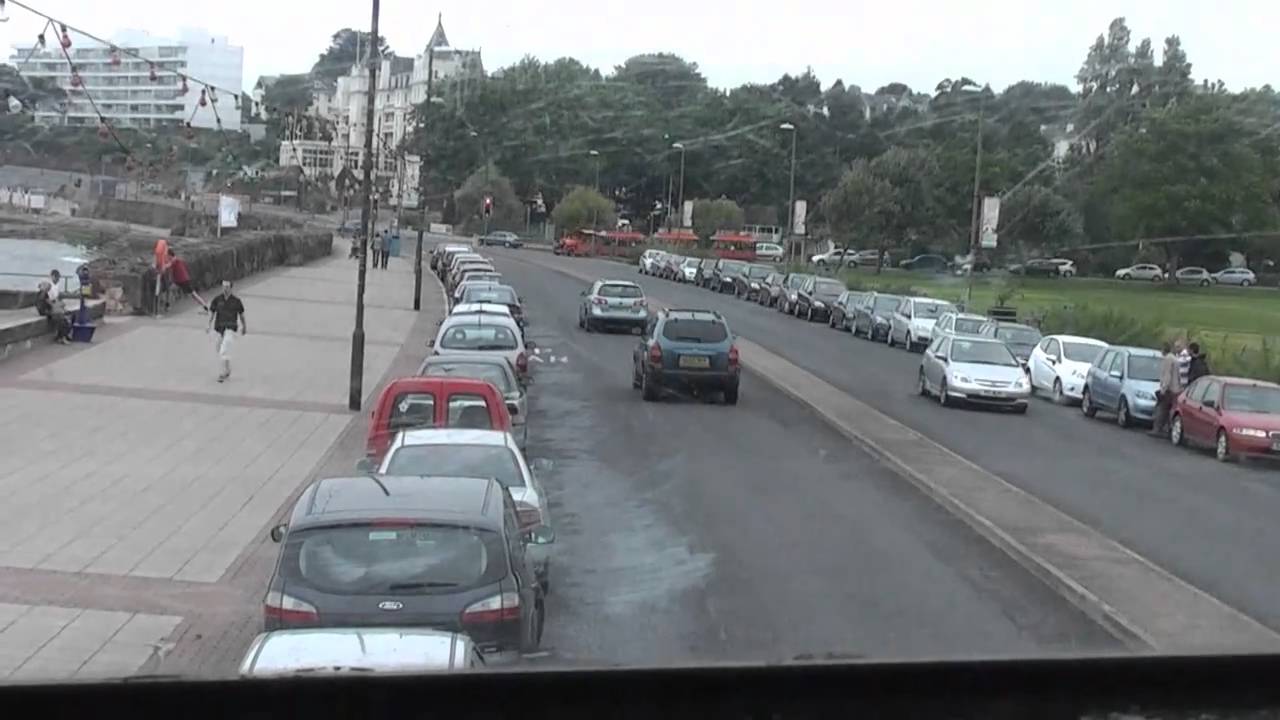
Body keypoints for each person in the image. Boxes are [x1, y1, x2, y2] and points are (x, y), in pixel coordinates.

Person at [207, 280, 246, 383]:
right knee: (219, 348)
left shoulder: (236, 301)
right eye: (223, 286)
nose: (225, 288)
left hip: (230, 328)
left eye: (227, 286)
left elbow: (241, 315)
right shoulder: (217, 299)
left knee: (224, 349)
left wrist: (244, 326)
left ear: (231, 288)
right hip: (220, 328)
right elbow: (212, 312)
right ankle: (228, 369)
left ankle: (223, 372)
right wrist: (208, 324)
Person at [1150, 340, 1183, 437]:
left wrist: (1163, 389)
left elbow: (1167, 375)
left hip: (1169, 389)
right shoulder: (1174, 358)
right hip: (1176, 389)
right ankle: (1168, 430)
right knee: (1170, 410)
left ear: (1164, 350)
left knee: (1161, 409)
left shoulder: (1168, 359)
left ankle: (1157, 429)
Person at [35, 278, 72, 344]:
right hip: (45, 311)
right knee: (61, 318)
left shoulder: (41, 294)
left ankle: (62, 336)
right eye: (48, 288)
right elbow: (49, 304)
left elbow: (49, 302)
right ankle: (62, 337)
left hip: (45, 310)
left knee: (63, 317)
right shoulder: (43, 294)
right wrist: (59, 305)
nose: (49, 289)